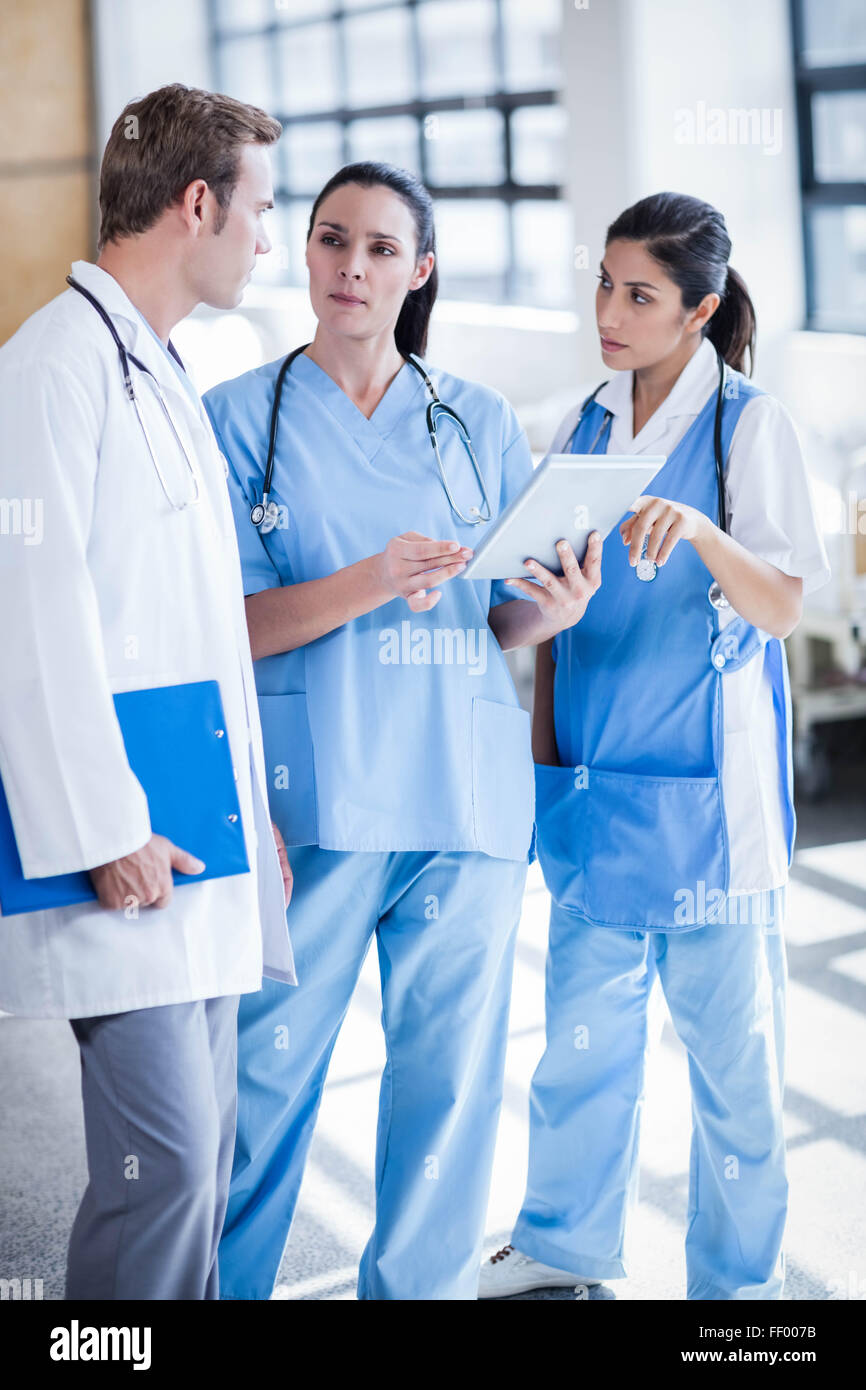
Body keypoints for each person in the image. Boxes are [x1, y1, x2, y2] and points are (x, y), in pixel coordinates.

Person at [203, 161, 602, 1301]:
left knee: (448, 1089)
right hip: (316, 799)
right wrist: (371, 579)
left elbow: (501, 614)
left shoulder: (474, 420)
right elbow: (225, 626)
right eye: (332, 240)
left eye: (382, 248)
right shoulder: (237, 421)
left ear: (417, 270)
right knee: (266, 1081)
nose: (352, 266)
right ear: (307, 254)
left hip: (462, 797)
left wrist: (552, 607)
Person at [479, 192, 830, 1301]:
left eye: (638, 294)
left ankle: (736, 1290)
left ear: (699, 309)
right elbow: (539, 611)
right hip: (590, 790)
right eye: (603, 285)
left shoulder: (745, 425)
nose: (609, 312)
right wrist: (539, 770)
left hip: (703, 806)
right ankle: (561, 1254)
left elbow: (778, 605)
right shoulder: (586, 421)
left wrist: (704, 530)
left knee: (731, 1076)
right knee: (578, 1055)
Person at [0, 83, 295, 1300]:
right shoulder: (50, 370)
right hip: (127, 840)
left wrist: (251, 807)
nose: (269, 238)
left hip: (200, 826)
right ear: (196, 203)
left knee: (199, 1163)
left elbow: (189, 632)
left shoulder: (163, 364)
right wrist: (105, 828)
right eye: (262, 209)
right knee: (160, 1168)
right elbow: (30, 618)